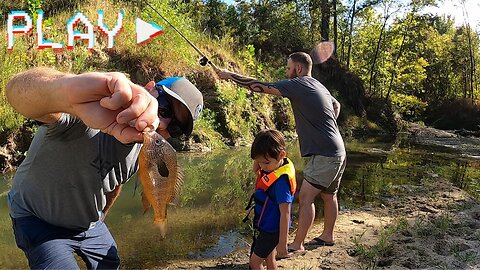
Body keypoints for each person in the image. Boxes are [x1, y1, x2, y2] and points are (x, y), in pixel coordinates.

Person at [5, 67, 203, 269]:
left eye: (175, 127)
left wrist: (100, 218)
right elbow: (16, 92)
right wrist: (67, 90)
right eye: (164, 108)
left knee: (110, 263)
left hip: (88, 224)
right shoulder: (88, 112)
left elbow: (115, 184)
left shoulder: (145, 152)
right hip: (37, 218)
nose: (162, 123)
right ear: (149, 88)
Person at [215, 52, 346, 253]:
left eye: (288, 68)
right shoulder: (318, 85)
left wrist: (229, 75)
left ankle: (297, 244)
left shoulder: (298, 84)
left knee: (305, 198)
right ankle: (327, 235)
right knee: (329, 196)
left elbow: (259, 86)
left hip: (324, 154)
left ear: (299, 69)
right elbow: (337, 104)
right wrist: (326, 124)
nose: (287, 72)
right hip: (338, 150)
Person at [248, 129, 296, 270]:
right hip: (267, 226)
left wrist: (283, 242)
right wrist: (260, 160)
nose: (261, 167)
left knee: (255, 262)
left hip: (273, 230)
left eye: (265, 163)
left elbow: (286, 213)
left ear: (282, 154)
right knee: (269, 259)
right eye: (259, 162)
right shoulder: (273, 165)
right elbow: (256, 169)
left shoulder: (281, 183)